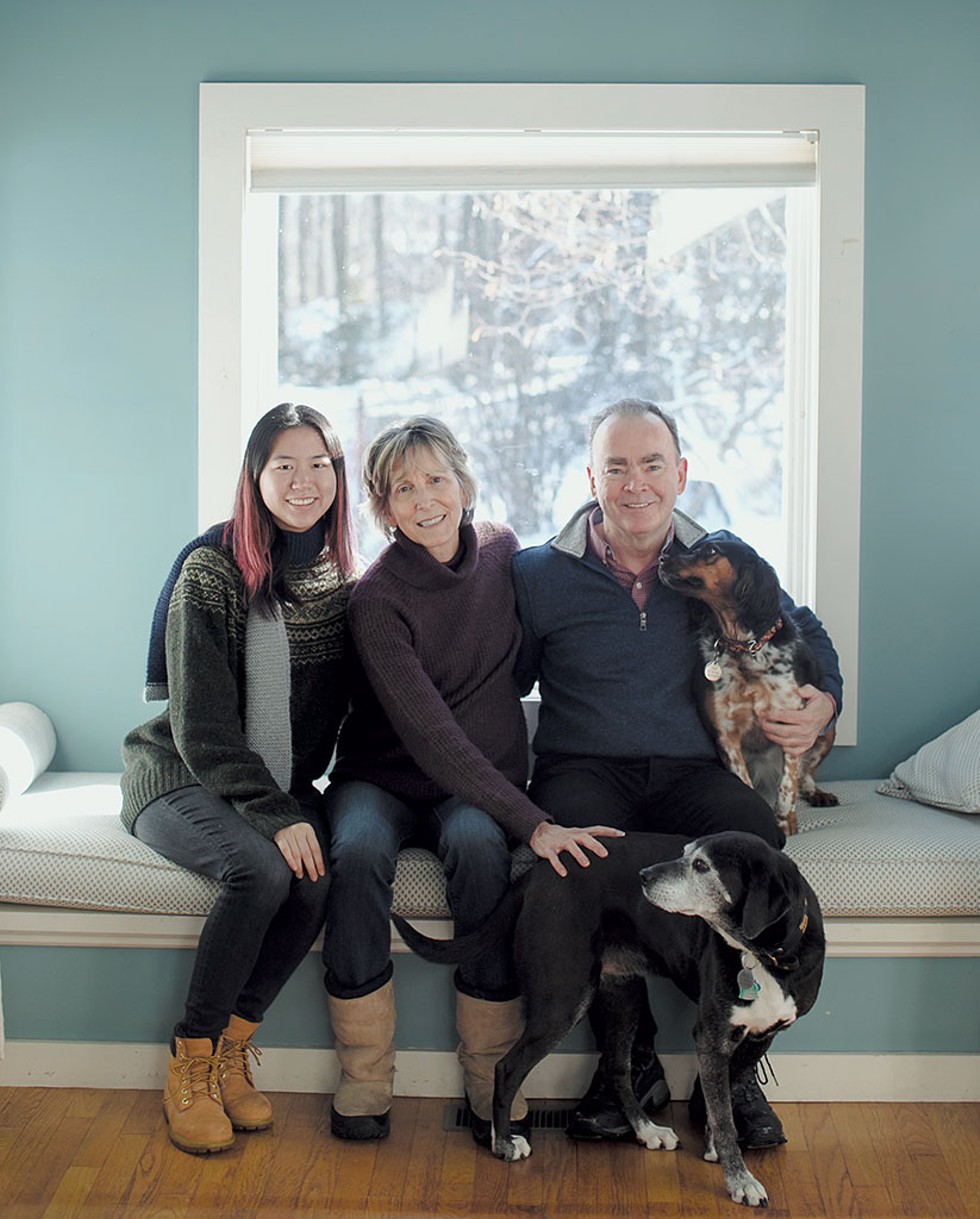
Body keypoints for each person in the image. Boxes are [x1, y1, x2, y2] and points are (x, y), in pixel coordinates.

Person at [512, 397, 842, 1149]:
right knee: (579, 856)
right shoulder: (538, 574)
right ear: (590, 477)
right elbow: (494, 679)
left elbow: (807, 631)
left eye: (652, 465)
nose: (636, 485)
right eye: (617, 467)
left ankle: (737, 1064)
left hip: (695, 767)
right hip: (584, 765)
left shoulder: (721, 565)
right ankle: (625, 1062)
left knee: (756, 839)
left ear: (681, 473)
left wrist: (824, 702)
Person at [321, 415, 622, 1146]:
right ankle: (364, 1071)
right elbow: (430, 732)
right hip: (384, 779)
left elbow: (516, 665)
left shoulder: (501, 551)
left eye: (436, 478)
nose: (425, 499)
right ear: (383, 507)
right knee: (357, 853)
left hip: (472, 785)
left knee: (482, 849)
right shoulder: (376, 598)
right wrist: (536, 821)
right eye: (402, 488)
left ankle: (491, 1069)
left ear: (463, 480)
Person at [120, 403, 356, 1155]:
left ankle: (231, 1049)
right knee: (259, 868)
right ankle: (190, 1058)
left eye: (319, 463)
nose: (302, 479)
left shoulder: (336, 581)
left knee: (320, 874)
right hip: (177, 771)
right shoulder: (211, 571)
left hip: (267, 778)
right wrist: (275, 811)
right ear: (254, 477)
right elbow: (202, 731)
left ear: (338, 477)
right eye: (283, 463)